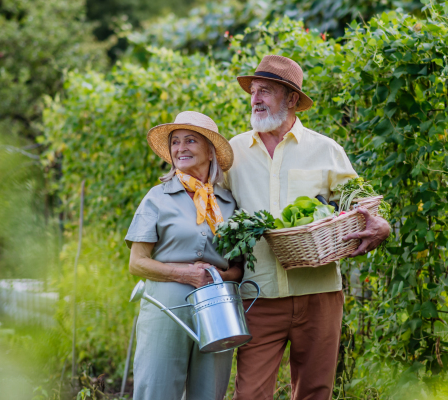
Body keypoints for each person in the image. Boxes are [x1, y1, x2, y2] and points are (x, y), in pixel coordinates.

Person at [223, 55, 391, 400]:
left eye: (266, 91)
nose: (256, 99)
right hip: (259, 295)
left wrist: (381, 225)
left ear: (292, 99)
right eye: (254, 91)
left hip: (319, 294)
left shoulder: (325, 150)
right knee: (250, 393)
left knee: (315, 391)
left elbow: (360, 202)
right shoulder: (233, 152)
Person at [125, 111, 243, 400]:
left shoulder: (228, 204)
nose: (180, 148)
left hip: (217, 310)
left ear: (210, 152)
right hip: (166, 310)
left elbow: (238, 269)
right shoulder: (157, 197)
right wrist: (185, 274)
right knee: (157, 390)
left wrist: (215, 275)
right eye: (175, 142)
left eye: (190, 141)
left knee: (209, 393)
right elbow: (137, 263)